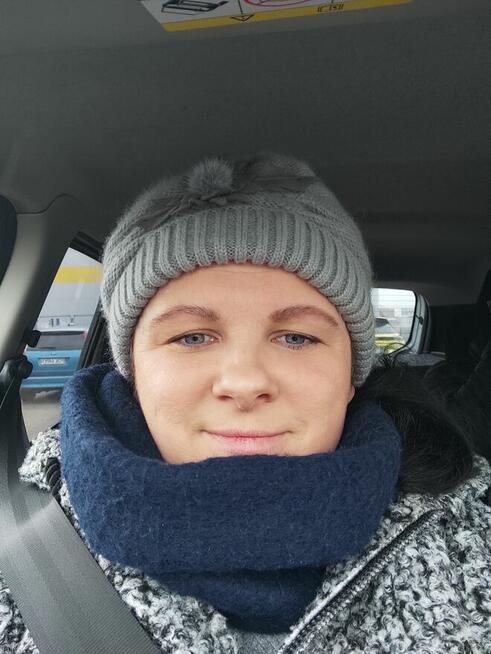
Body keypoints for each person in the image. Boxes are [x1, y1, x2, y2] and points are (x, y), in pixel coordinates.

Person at [1, 152, 490, 654]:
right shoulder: (25, 550)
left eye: (297, 337)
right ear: (134, 375)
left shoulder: (469, 532)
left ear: (351, 377)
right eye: (192, 337)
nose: (245, 382)